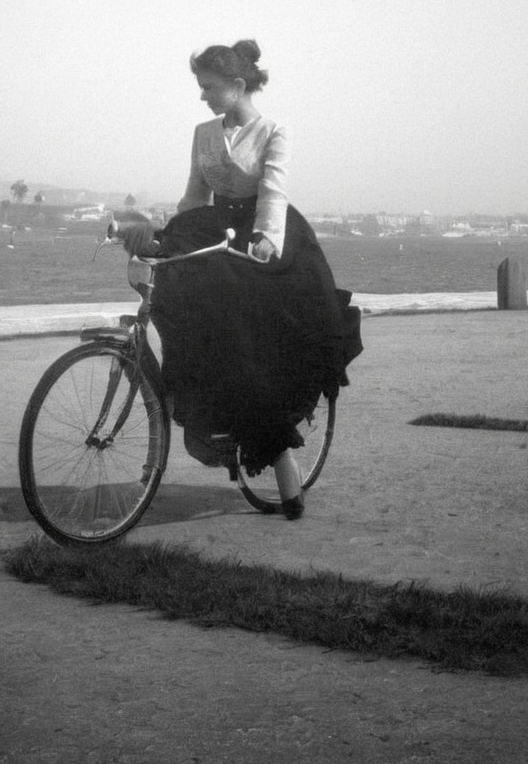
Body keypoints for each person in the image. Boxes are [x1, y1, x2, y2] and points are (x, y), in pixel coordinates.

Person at [124, 39, 361, 521]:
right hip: (217, 227)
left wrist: (268, 239)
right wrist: (167, 237)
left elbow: (274, 192)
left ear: (236, 85)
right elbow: (195, 197)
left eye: (209, 87)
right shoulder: (203, 133)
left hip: (266, 240)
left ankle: (280, 456)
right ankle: (213, 413)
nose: (203, 96)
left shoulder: (274, 131)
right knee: (182, 303)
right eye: (200, 88)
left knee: (249, 339)